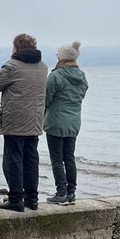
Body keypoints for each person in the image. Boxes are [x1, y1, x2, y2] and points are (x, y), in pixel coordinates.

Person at [0, 33, 48, 212]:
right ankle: (32, 199)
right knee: (31, 159)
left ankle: (16, 198)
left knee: (13, 160)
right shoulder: (43, 67)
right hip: (35, 120)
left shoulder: (12, 66)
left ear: (16, 47)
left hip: (15, 120)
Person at [44, 41, 88, 205]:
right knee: (69, 158)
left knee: (57, 159)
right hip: (74, 122)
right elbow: (81, 96)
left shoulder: (56, 76)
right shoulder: (82, 77)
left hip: (55, 122)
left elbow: (46, 99)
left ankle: (61, 192)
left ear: (61, 58)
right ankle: (71, 193)